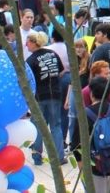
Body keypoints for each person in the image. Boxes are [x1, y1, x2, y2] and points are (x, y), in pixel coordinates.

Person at [26, 31, 66, 165]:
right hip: (55, 94)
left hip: (39, 96)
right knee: (56, 126)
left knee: (38, 126)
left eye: (28, 42)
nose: (26, 45)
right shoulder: (53, 54)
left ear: (33, 43)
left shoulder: (31, 60)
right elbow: (61, 71)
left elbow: (28, 80)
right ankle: (59, 157)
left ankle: (37, 158)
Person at [89, 23, 110, 103]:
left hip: (102, 90)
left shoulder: (100, 50)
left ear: (105, 35)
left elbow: (92, 69)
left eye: (98, 33)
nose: (95, 36)